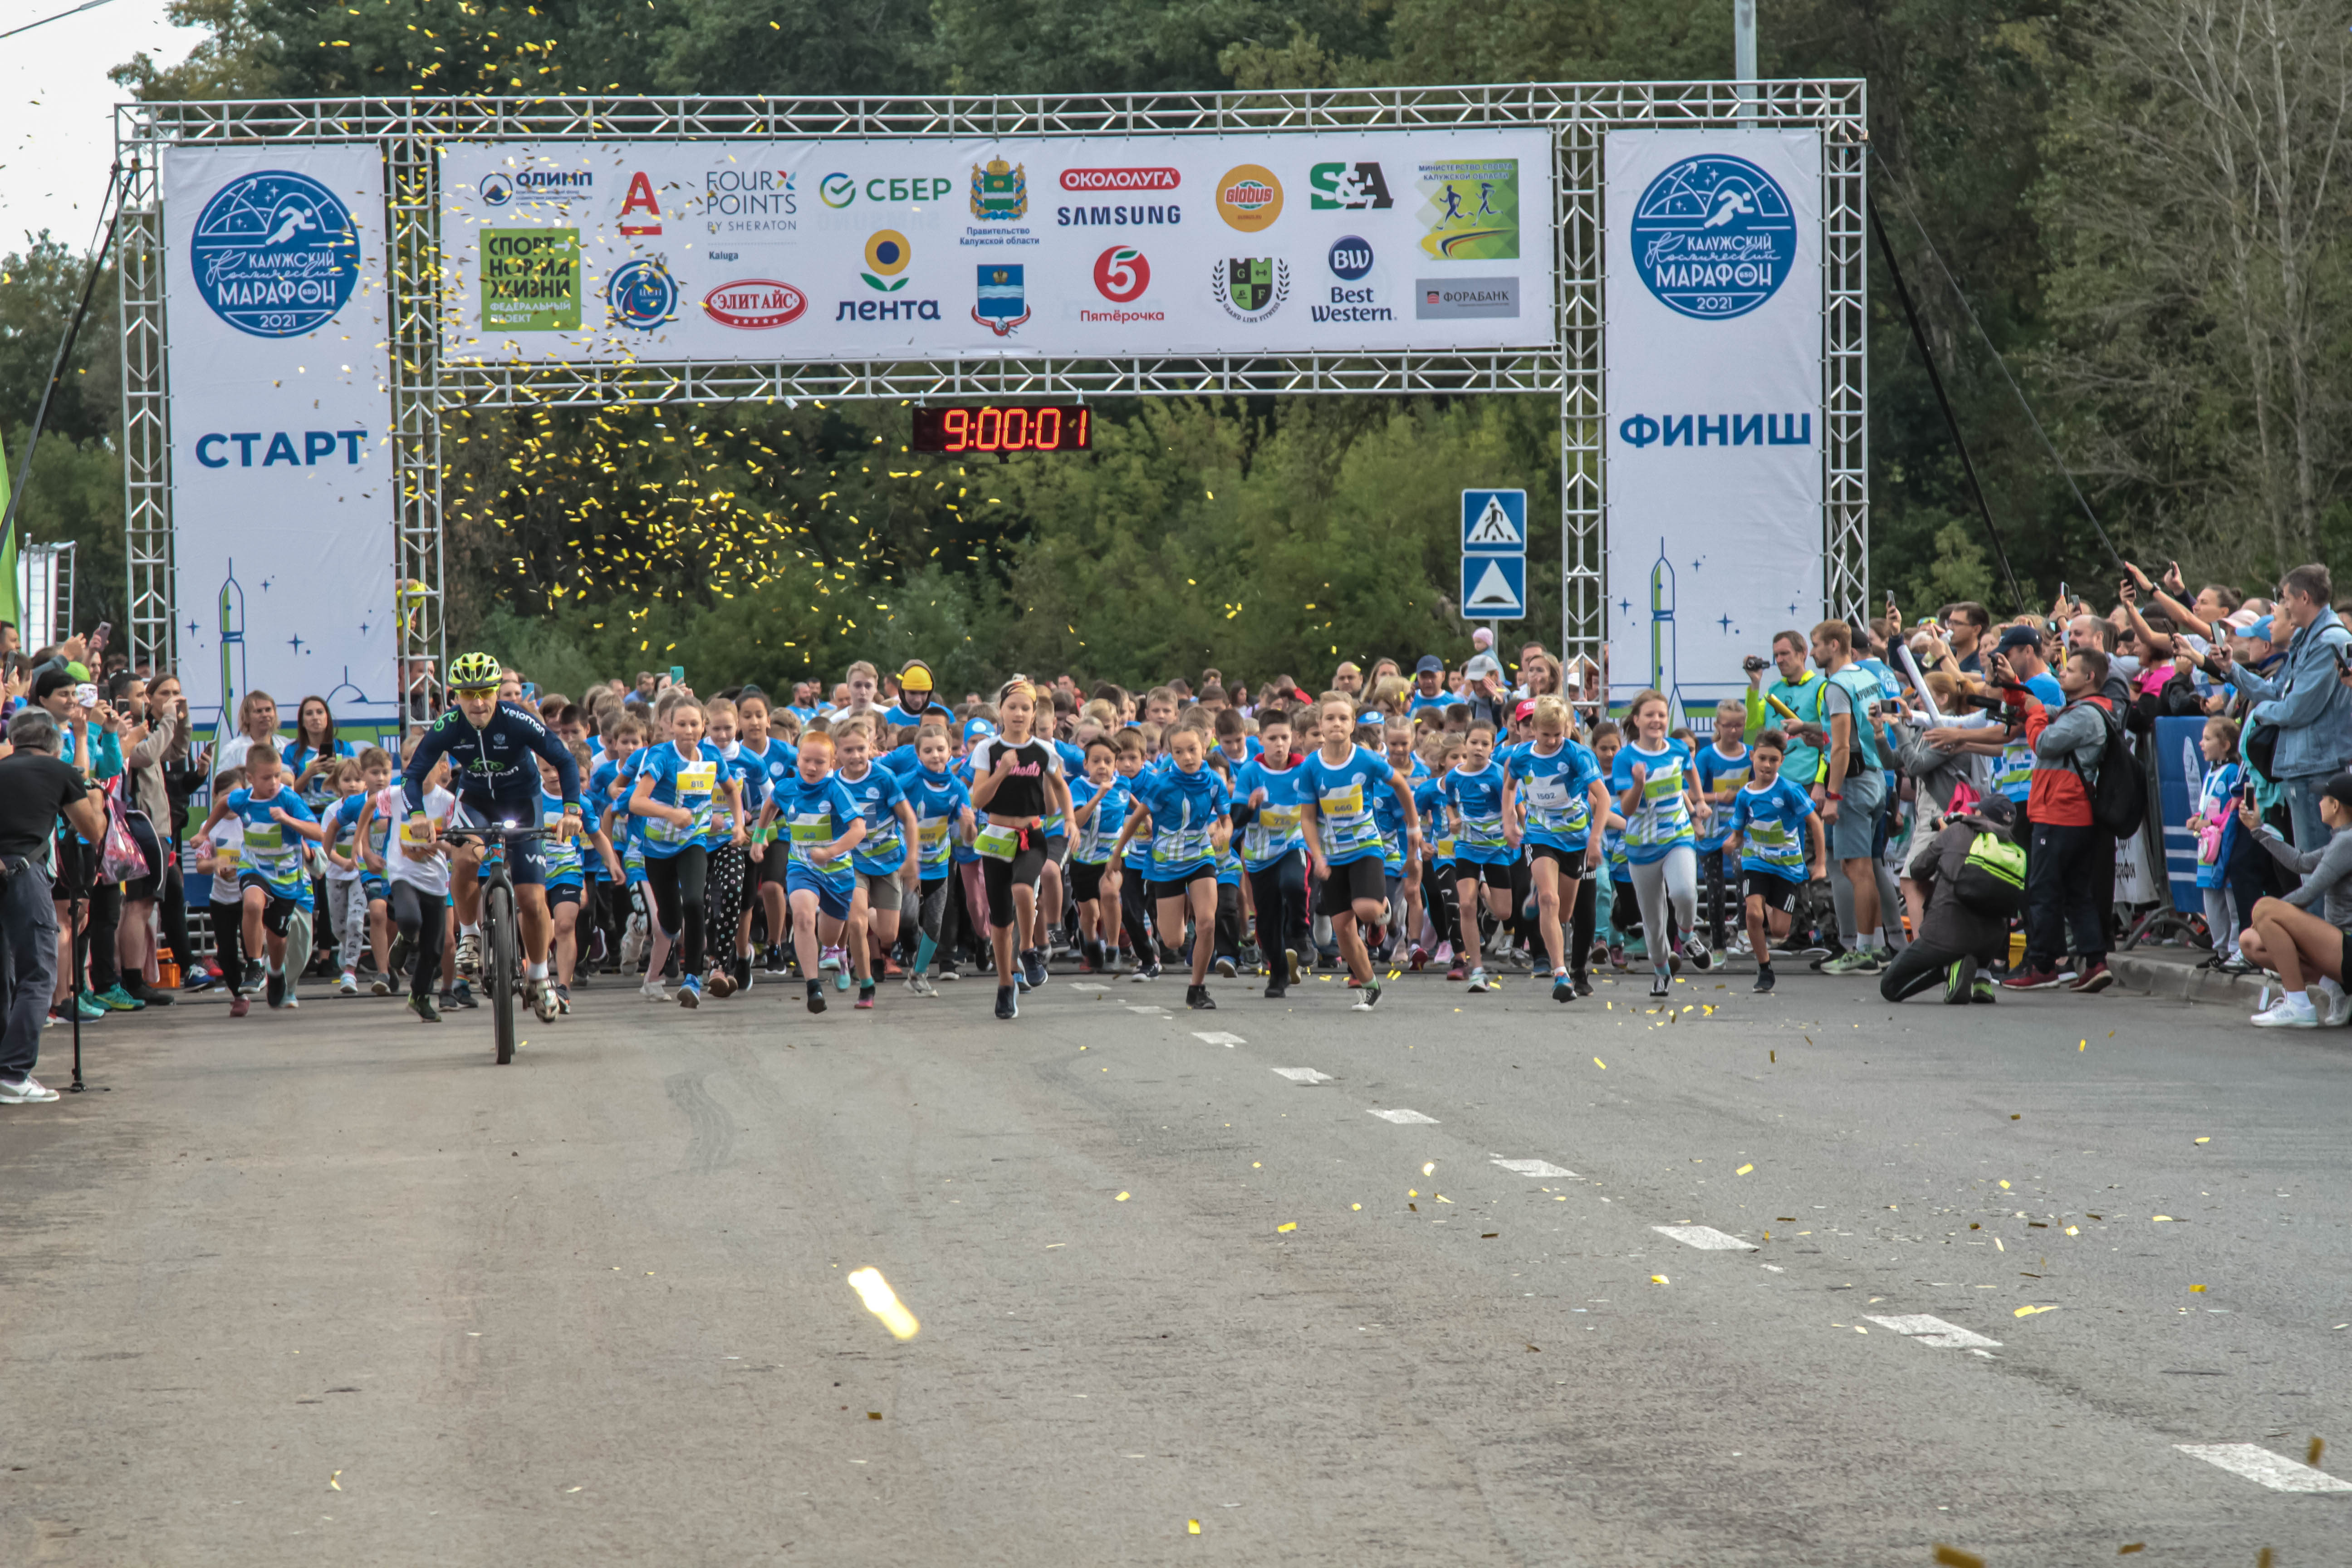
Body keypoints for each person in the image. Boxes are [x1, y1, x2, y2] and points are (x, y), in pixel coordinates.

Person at [401, 651, 583, 1023]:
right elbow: (413, 774)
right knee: (466, 858)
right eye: (469, 694)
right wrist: (417, 815)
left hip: (523, 802)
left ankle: (538, 977)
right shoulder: (449, 726)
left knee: (532, 901)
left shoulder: (517, 720)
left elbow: (564, 760)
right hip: (478, 802)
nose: (479, 702)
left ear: (498, 691)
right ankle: (469, 934)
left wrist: (572, 811)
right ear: (455, 696)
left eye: (486, 692)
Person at [1997, 644, 2118, 993]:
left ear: (2090, 677)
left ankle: (2043, 965)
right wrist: (2015, 685)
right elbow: (2029, 708)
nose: (2061, 673)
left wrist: (2035, 715)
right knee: (2075, 893)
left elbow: (2044, 742)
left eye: (2069, 670)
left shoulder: (2085, 715)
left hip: (2061, 812)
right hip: (2068, 812)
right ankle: (2095, 963)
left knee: (2043, 889)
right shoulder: (2078, 709)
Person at [0, 709, 107, 1103]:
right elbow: (92, 831)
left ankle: (5, 1067)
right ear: (53, 745)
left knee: (4, 977)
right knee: (38, 975)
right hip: (24, 875)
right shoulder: (61, 773)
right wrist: (91, 792)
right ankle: (13, 1072)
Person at [2213, 564, 2352, 852]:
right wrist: (2232, 669)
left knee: (2316, 869)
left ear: (2304, 598)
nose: (2283, 606)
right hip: (2303, 766)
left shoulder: (2330, 641)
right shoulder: (2308, 640)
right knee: (2305, 866)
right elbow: (2278, 692)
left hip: (2319, 767)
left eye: (2286, 598)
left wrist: (2259, 715)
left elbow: (2296, 709)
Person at [1298, 694, 1422, 1010]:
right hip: (1331, 856)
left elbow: (1402, 788)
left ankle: (1380, 915)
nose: (1336, 724)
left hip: (1366, 847)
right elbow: (1308, 818)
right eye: (1330, 719)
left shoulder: (1366, 760)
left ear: (1353, 724)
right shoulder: (1312, 767)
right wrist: (1318, 856)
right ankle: (1369, 986)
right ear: (1321, 725)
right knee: (1343, 931)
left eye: (1343, 718)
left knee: (1365, 910)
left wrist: (1414, 829)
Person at [967, 680, 1072, 1019]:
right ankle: (1004, 986)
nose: (1018, 713)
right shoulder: (988, 750)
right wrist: (1001, 772)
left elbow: (1062, 788)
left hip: (1032, 835)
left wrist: (1070, 818)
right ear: (1001, 711)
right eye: (1012, 707)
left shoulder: (1043, 751)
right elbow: (977, 799)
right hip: (997, 835)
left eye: (1025, 708)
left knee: (1024, 888)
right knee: (1000, 922)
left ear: (1034, 714)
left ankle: (1028, 948)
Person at [627, 695, 740, 1008]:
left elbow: (731, 790)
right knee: (671, 921)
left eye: (694, 724)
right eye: (682, 724)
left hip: (693, 842)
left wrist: (740, 825)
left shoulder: (712, 756)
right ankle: (653, 973)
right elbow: (637, 802)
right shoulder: (661, 756)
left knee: (694, 900)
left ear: (704, 727)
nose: (688, 730)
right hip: (658, 850)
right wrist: (671, 814)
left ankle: (693, 979)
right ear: (669, 727)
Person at [1117, 724, 1234, 1011]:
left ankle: (1197, 988)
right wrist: (1115, 856)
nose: (1187, 757)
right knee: (1173, 939)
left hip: (1200, 856)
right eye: (1179, 752)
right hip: (1166, 862)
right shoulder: (1162, 784)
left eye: (1192, 750)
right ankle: (1181, 906)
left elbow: (1226, 818)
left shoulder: (1214, 782)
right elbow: (1137, 818)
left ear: (1204, 750)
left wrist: (1224, 832)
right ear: (1170, 754)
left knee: (1207, 922)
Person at [1612, 689, 1710, 998]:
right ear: (1637, 720)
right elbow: (1627, 810)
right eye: (1650, 715)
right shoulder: (1625, 758)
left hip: (1677, 836)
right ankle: (1661, 971)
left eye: (1662, 715)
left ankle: (1687, 935)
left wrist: (1701, 801)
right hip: (1642, 847)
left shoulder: (1679, 749)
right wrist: (1639, 783)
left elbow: (1691, 770)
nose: (1657, 720)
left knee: (1684, 892)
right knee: (1653, 924)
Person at [2238, 773, 2352, 1027]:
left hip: (2348, 947)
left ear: (2335, 805)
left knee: (2265, 908)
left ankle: (2298, 1004)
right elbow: (2301, 863)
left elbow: (2309, 893)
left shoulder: (2348, 841)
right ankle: (2339, 989)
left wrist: (2264, 916)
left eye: (2324, 797)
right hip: (2340, 948)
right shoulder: (2342, 839)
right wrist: (2258, 830)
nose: (2319, 802)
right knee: (2250, 943)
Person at [1878, 797, 2017, 1004]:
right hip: (1991, 942)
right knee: (1991, 900)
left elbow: (1917, 870)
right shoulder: (2014, 850)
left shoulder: (1957, 832)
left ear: (1980, 814)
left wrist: (1944, 838)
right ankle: (1982, 981)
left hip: (1944, 938)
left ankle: (1948, 968)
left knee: (1890, 988)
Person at [1813, 620, 1890, 975]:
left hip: (1854, 784)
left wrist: (1832, 795)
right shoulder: (1865, 675)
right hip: (1876, 777)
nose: (1813, 652)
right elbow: (1856, 729)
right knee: (1867, 869)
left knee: (1855, 869)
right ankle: (1872, 946)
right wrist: (1807, 729)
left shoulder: (1836, 685)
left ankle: (1862, 951)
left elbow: (1842, 747)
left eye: (1815, 645)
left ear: (1833, 645)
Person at [1724, 730, 1826, 995]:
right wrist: (1732, 843)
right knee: (1753, 914)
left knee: (1780, 931)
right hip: (1756, 862)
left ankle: (1770, 906)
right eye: (1762, 759)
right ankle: (1765, 968)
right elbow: (1738, 832)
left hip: (1787, 866)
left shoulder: (1789, 791)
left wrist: (1821, 863)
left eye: (1773, 760)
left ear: (1781, 761)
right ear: (1752, 757)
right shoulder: (1745, 796)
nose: (1767, 765)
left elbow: (1815, 822)